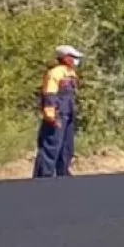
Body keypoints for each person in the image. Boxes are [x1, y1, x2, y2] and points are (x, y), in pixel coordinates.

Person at [33, 44, 83, 178]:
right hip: (57, 116)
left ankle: (63, 175)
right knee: (51, 147)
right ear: (66, 58)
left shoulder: (71, 74)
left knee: (66, 148)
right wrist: (51, 117)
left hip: (68, 115)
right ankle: (44, 177)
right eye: (74, 57)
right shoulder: (55, 73)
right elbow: (49, 95)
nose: (76, 60)